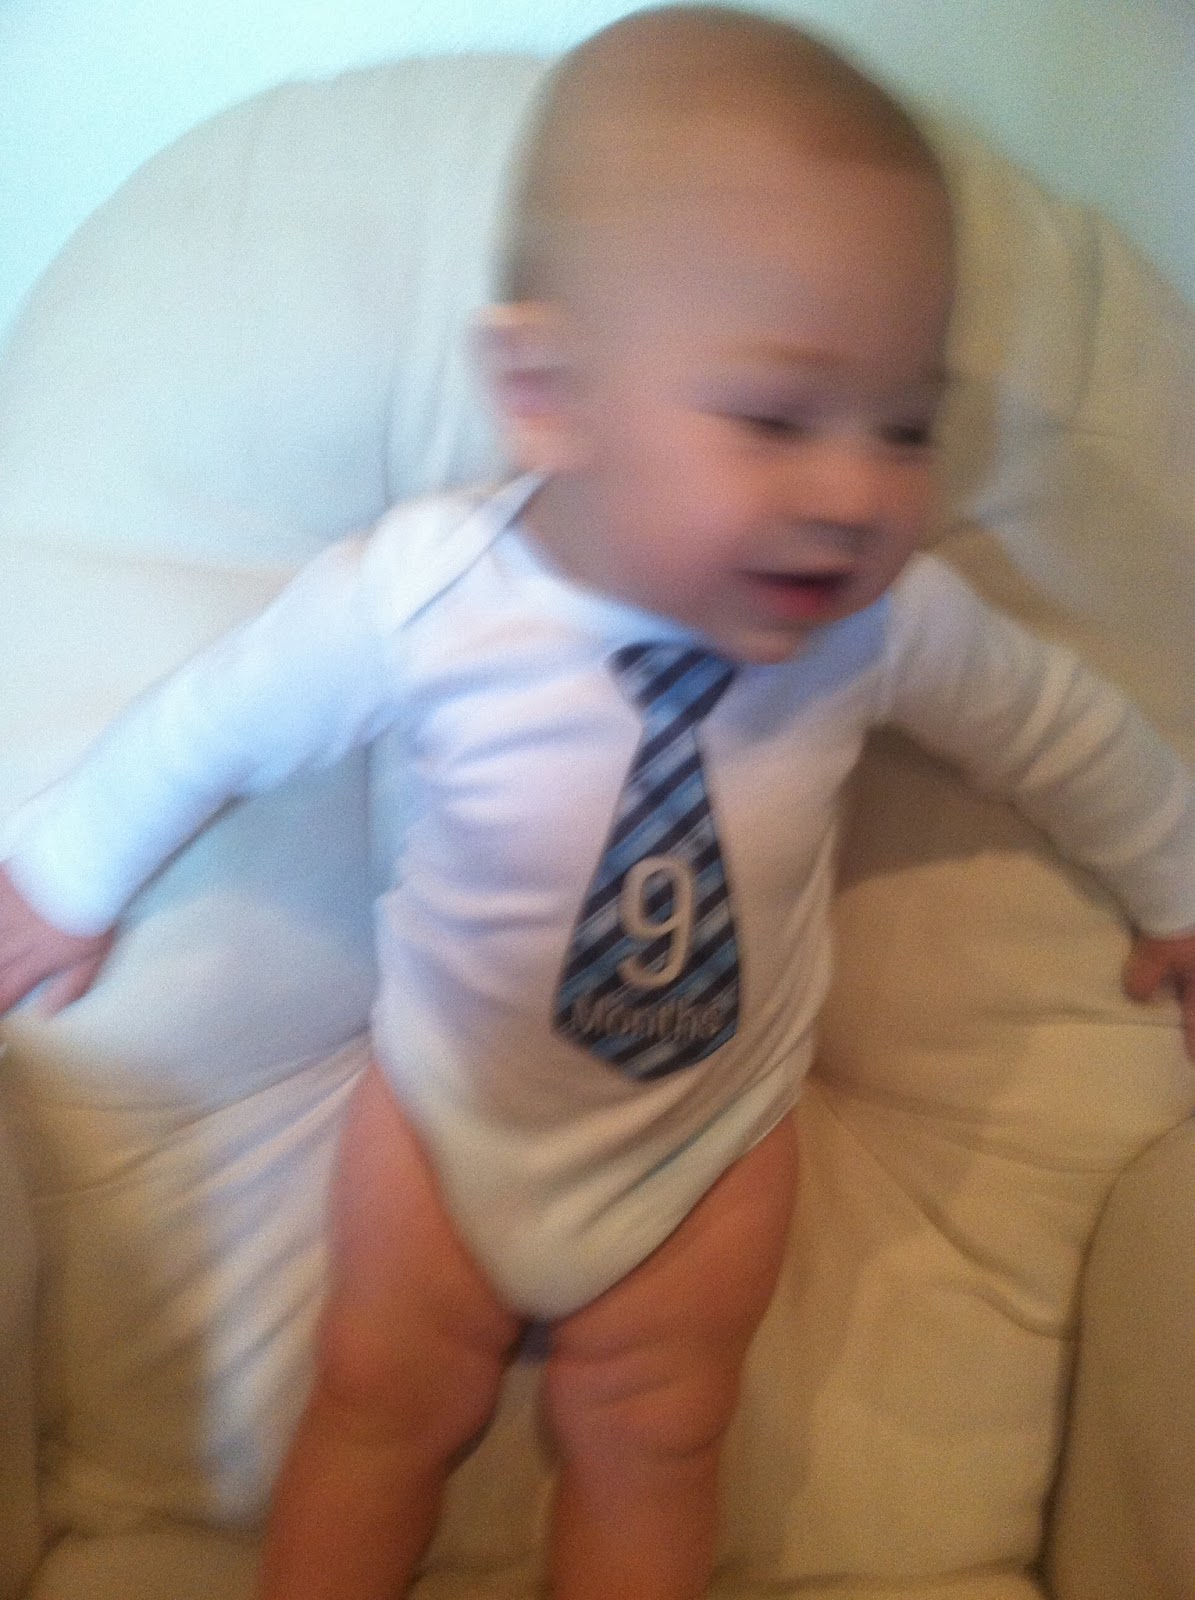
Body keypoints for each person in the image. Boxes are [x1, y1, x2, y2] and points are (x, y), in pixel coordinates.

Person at [2, 7, 1194, 1598]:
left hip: (708, 1141)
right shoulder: (426, 599)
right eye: (776, 418)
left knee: (656, 1436)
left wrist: (1179, 884)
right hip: (447, 1117)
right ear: (546, 391)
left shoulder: (886, 627)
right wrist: (67, 873)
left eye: (906, 426)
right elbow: (212, 725)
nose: (856, 490)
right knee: (375, 1409)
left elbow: (1065, 732)